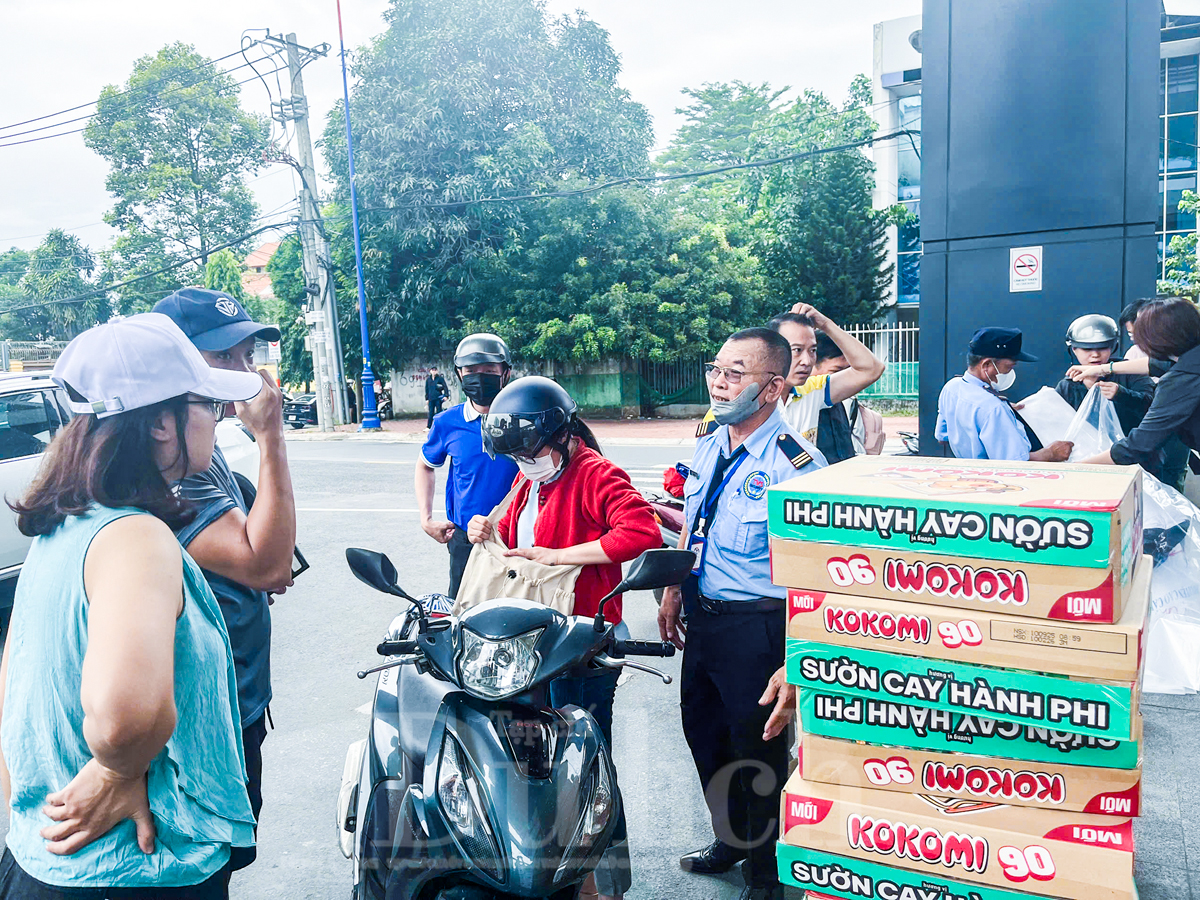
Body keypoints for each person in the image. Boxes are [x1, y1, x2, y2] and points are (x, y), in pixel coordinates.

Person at [0, 313, 261, 897]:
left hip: (46, 862)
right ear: (164, 423)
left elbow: (13, 683)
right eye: (208, 407)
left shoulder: (60, 529)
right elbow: (125, 719)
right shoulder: (135, 537)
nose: (217, 421)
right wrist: (118, 769)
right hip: (133, 870)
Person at [467, 376, 660, 900]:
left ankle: (600, 885)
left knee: (585, 765)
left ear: (562, 435)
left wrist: (559, 556)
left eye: (528, 454)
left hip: (583, 643)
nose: (522, 464)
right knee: (538, 764)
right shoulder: (533, 478)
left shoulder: (596, 474)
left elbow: (641, 533)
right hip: (535, 645)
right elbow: (510, 519)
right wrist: (484, 526)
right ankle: (552, 872)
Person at [659, 328, 826, 900]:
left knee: (757, 750)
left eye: (735, 373)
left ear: (774, 388)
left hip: (758, 628)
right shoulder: (710, 440)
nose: (719, 381)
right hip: (704, 616)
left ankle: (767, 875)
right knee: (705, 735)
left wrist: (796, 657)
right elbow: (691, 517)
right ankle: (731, 840)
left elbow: (815, 571)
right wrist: (674, 589)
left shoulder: (795, 465)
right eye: (717, 368)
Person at [153, 287, 294, 829]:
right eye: (223, 357)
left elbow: (266, 556)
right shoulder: (172, 467)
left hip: (240, 695)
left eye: (247, 355)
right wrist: (271, 436)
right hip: (209, 708)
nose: (246, 372)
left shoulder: (203, 453)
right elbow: (267, 565)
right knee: (209, 851)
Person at [416, 334, 519, 599]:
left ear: (505, 373)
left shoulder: (523, 418)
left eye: (488, 371)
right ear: (460, 374)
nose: (479, 377)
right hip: (466, 540)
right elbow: (425, 465)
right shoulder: (448, 422)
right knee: (463, 612)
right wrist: (426, 518)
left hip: (518, 538)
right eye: (471, 371)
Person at [1076, 298, 1200, 474]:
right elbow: (1158, 365)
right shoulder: (1191, 359)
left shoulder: (1181, 381)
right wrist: (1105, 368)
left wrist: (1074, 468)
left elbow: (1139, 444)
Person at [935, 327, 1073, 462]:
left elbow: (942, 437)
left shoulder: (951, 387)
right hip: (993, 480)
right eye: (1009, 366)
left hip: (968, 475)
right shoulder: (994, 408)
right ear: (987, 364)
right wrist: (1050, 453)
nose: (1010, 372)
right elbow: (1014, 464)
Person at [766, 304, 885, 448]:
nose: (807, 361)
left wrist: (826, 325)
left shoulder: (812, 390)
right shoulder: (752, 397)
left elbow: (872, 369)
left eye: (812, 350)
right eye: (797, 350)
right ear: (770, 351)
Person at [1054, 314, 1154, 436]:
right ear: (1074, 350)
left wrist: (1122, 394)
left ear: (1113, 347)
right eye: (1087, 349)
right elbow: (1055, 422)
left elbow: (1154, 406)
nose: (1095, 354)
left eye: (1102, 348)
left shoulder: (1129, 371)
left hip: (1132, 448)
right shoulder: (1067, 386)